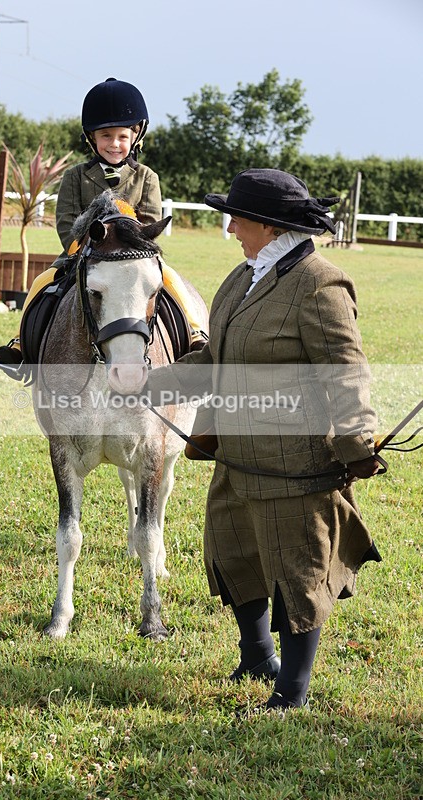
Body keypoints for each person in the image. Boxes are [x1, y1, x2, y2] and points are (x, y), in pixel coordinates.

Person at [143, 168, 382, 712]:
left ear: (269, 226)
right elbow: (215, 359)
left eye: (237, 217)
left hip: (292, 461)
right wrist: (152, 380)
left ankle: (291, 692)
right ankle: (256, 656)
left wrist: (355, 442)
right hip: (236, 451)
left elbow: (346, 372)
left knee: (297, 570)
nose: (229, 228)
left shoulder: (320, 283)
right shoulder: (243, 276)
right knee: (234, 553)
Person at [0, 78, 206, 377]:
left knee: (170, 279)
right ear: (91, 138)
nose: (115, 144)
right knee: (42, 281)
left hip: (135, 258)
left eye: (122, 136)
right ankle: (21, 344)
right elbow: (67, 221)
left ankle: (195, 332)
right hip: (83, 254)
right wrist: (82, 248)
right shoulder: (75, 176)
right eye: (106, 136)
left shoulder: (147, 177)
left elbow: (148, 222)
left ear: (136, 136)